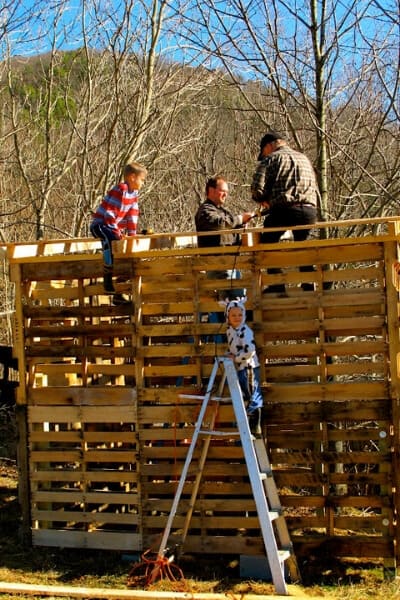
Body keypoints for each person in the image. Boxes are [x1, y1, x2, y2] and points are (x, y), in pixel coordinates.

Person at [251, 131, 319, 294]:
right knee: (301, 244)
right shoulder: (304, 158)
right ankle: (309, 283)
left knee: (267, 241)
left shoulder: (271, 159)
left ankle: (277, 282)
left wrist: (262, 200)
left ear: (269, 146)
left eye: (263, 151)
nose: (263, 155)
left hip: (286, 208)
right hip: (310, 210)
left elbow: (256, 188)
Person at [90, 161, 147, 305]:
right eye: (142, 179)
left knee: (125, 247)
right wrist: (117, 233)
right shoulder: (121, 189)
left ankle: (119, 291)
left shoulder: (134, 194)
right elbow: (110, 213)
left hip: (113, 227)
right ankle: (107, 278)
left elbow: (132, 215)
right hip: (101, 225)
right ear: (132, 177)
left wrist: (132, 235)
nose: (143, 183)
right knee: (110, 241)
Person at [195, 175, 254, 301]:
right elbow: (219, 224)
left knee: (236, 300)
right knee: (229, 301)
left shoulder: (223, 211)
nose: (226, 195)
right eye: (223, 191)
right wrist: (238, 219)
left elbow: (228, 228)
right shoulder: (205, 211)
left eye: (227, 192)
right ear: (211, 191)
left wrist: (242, 224)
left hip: (229, 264)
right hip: (218, 266)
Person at [220, 296, 263, 436]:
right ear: (227, 316)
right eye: (233, 315)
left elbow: (250, 350)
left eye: (240, 315)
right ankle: (248, 421)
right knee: (244, 393)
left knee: (251, 393)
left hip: (249, 366)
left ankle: (255, 425)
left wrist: (236, 357)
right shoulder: (231, 330)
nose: (237, 317)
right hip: (241, 367)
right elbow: (234, 347)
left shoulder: (245, 331)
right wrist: (230, 355)